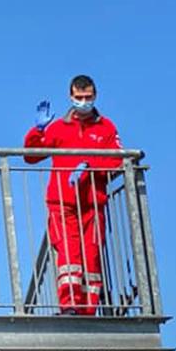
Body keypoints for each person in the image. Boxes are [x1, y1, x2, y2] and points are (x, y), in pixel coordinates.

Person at [24, 75, 122, 316]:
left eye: (88, 97)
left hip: (92, 203)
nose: (84, 102)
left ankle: (88, 311)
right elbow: (31, 156)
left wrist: (91, 165)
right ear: (71, 97)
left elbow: (118, 161)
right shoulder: (59, 127)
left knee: (91, 256)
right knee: (69, 255)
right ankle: (69, 306)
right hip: (62, 202)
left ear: (95, 96)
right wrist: (37, 131)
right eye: (79, 98)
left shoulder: (106, 127)